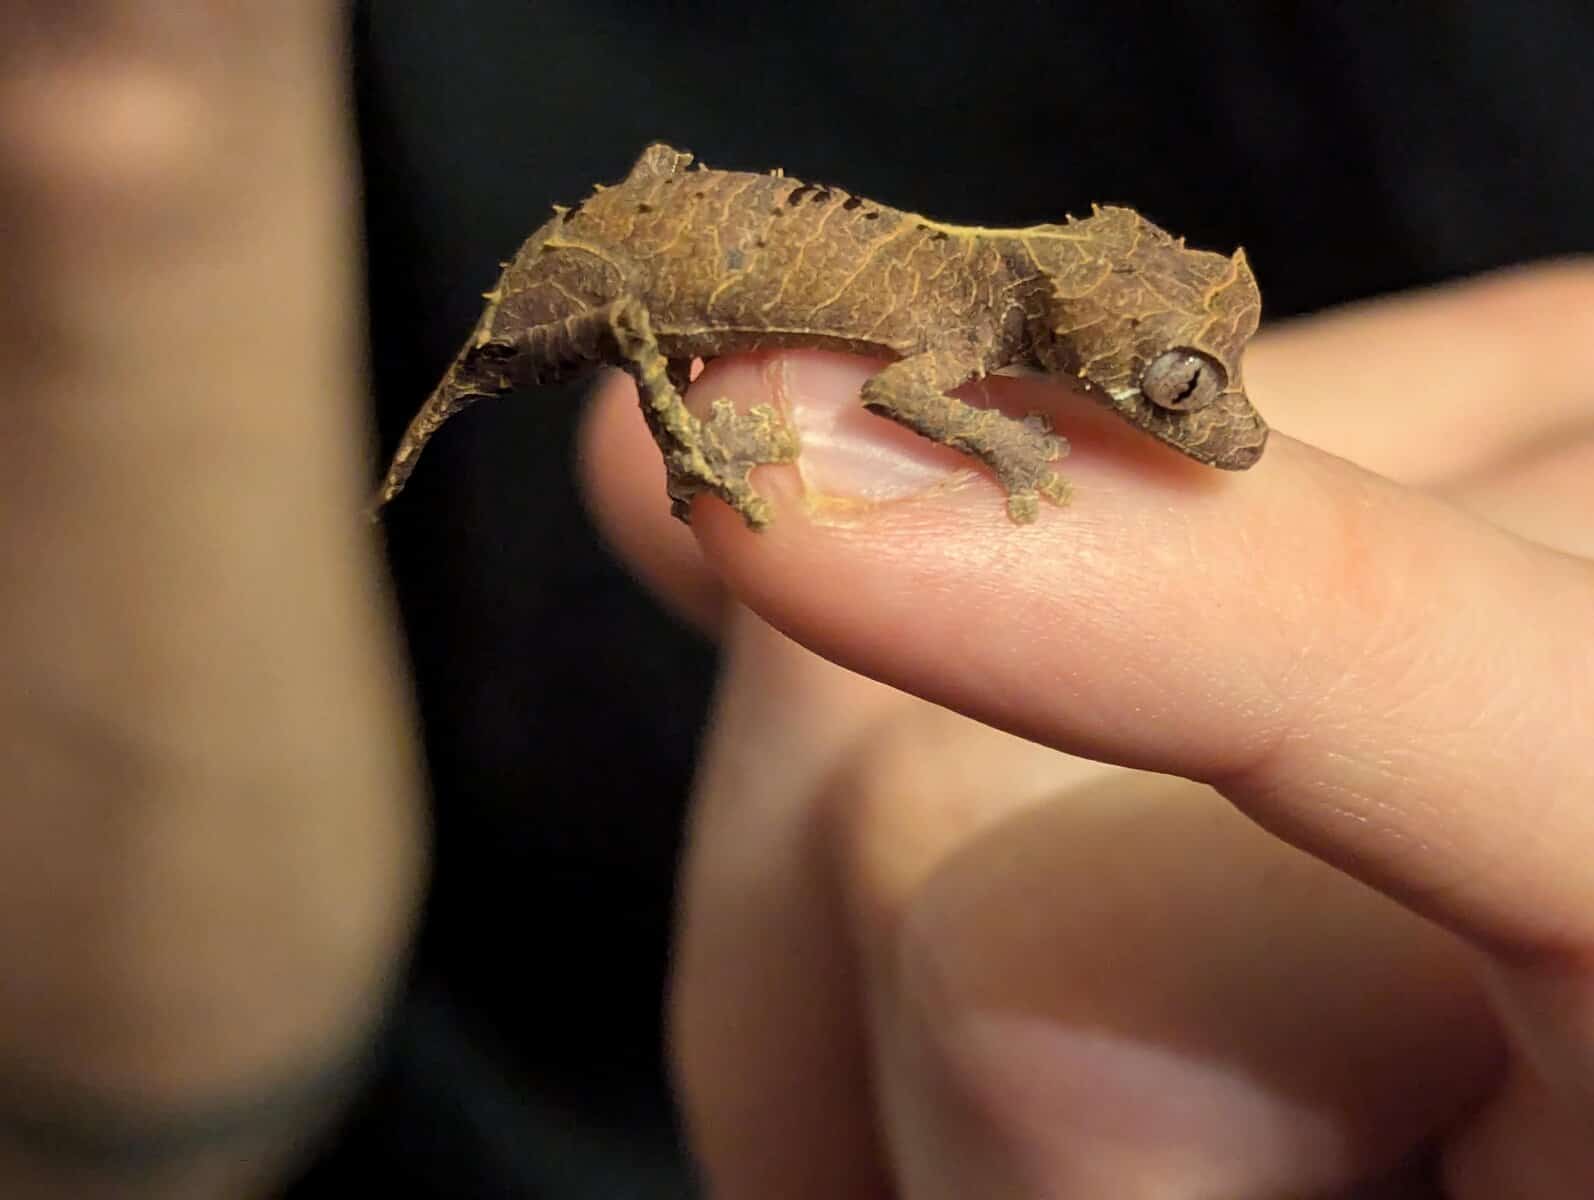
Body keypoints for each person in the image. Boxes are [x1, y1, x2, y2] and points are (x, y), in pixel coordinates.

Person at [2, 4, 1590, 1197]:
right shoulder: (962, 322)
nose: (1209, 423)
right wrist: (128, 146)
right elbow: (907, 403)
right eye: (1178, 384)